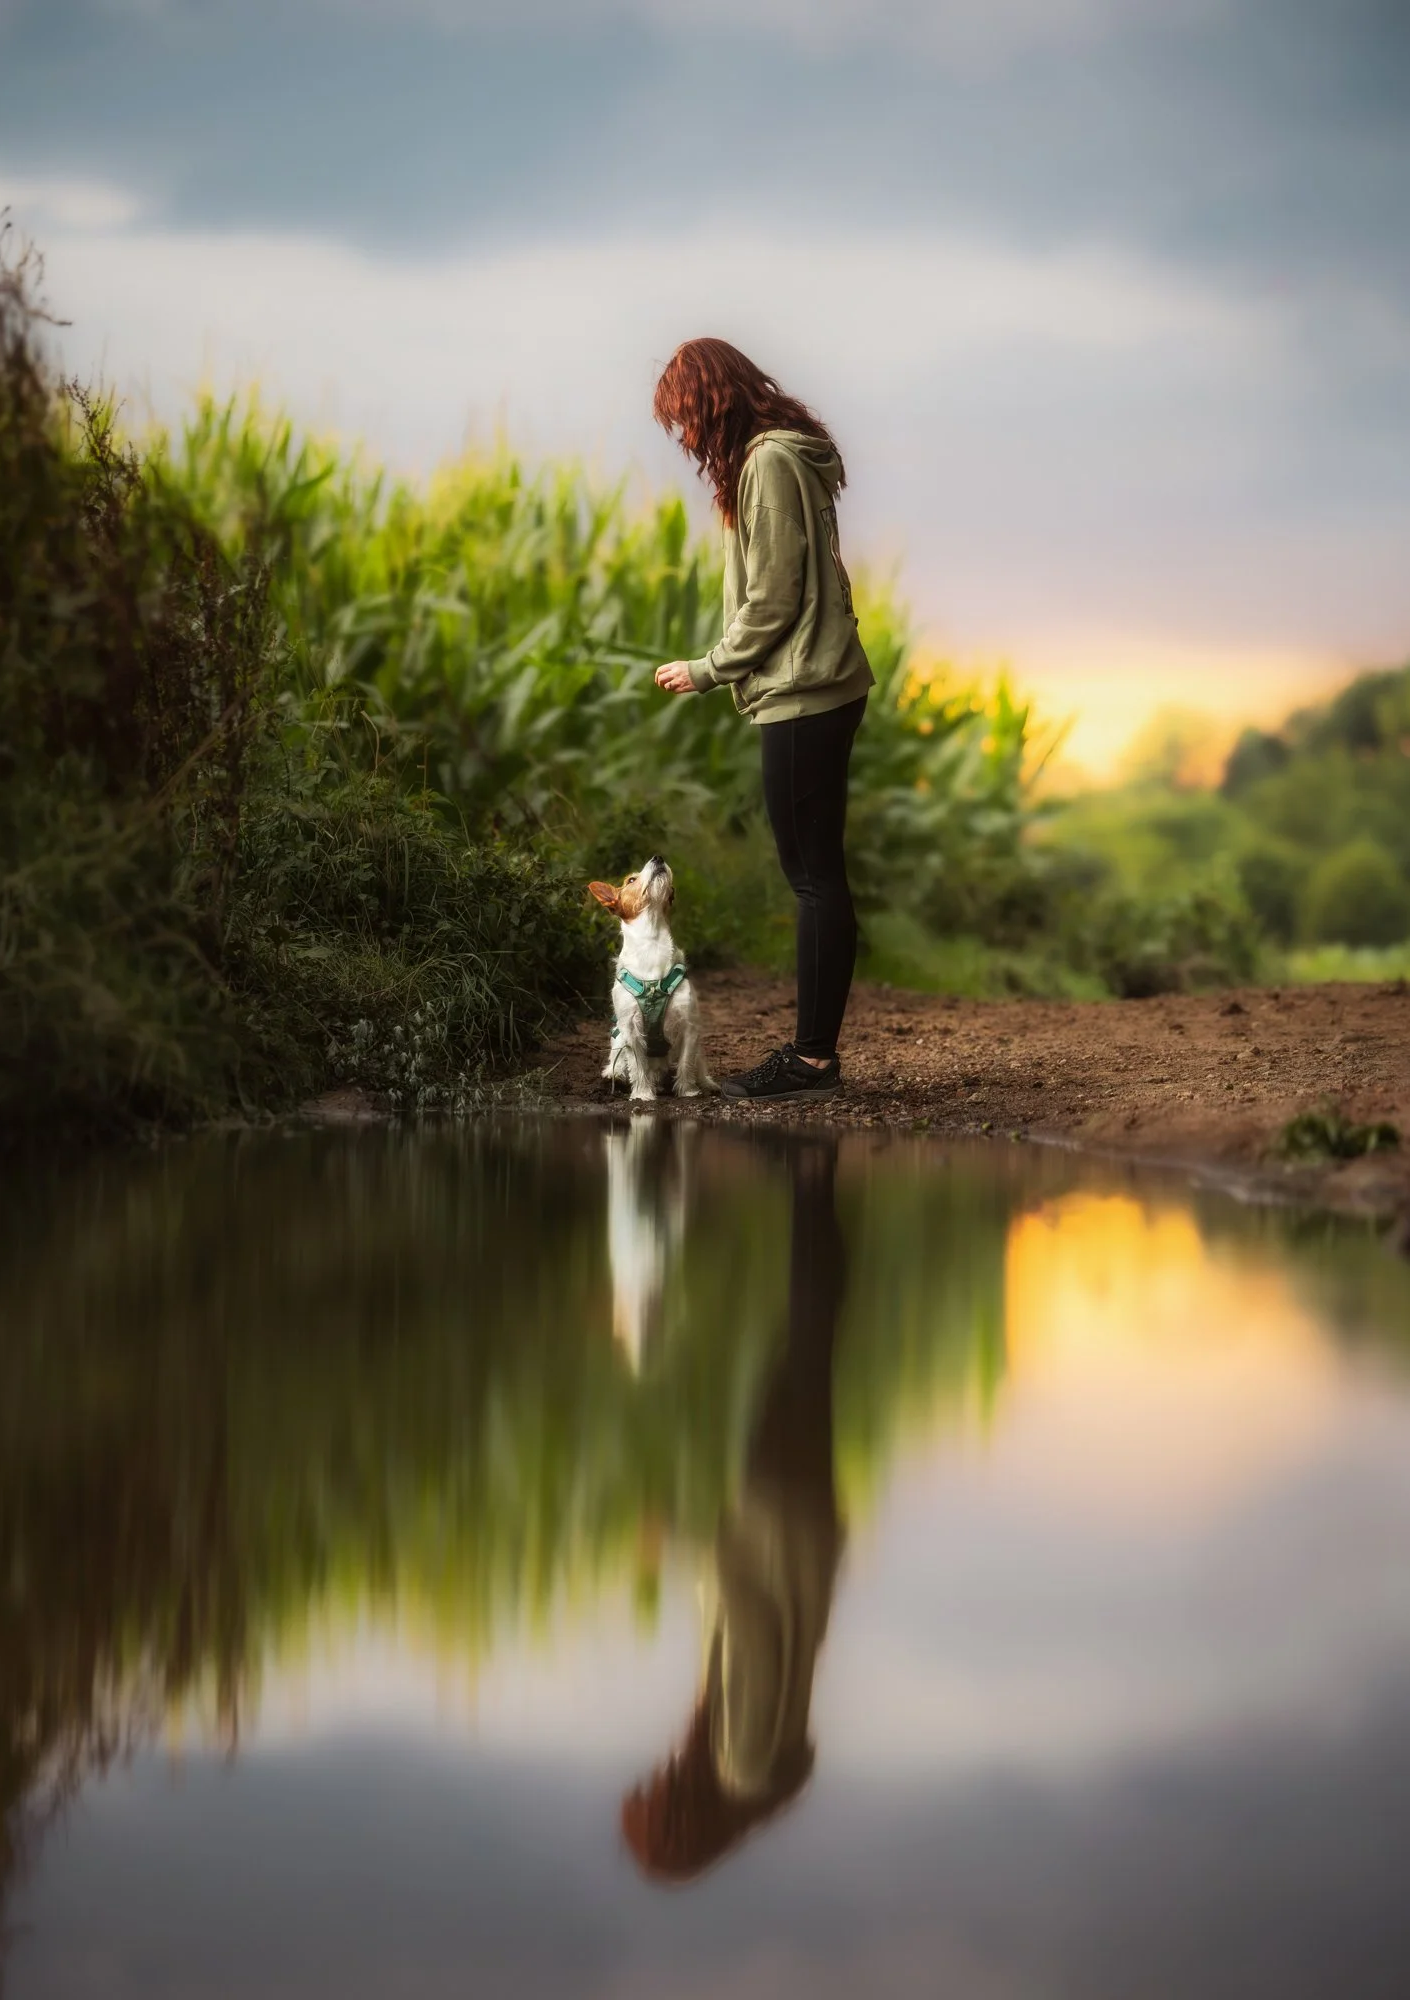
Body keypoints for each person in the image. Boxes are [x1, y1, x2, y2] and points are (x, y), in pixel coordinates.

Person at [652, 338, 873, 1104]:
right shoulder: (782, 457)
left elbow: (774, 596)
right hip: (815, 684)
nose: (683, 436)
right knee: (818, 875)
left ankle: (811, 1061)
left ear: (713, 400)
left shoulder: (768, 464)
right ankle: (814, 1055)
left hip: (803, 690)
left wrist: (707, 668)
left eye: (683, 417)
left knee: (812, 879)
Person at [620, 1137, 845, 1882]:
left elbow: (743, 1620)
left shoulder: (747, 1764)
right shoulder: (742, 1759)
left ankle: (822, 1200)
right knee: (802, 1354)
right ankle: (818, 1196)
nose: (655, 1775)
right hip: (780, 1521)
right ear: (677, 1817)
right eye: (652, 1796)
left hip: (797, 1528)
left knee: (804, 1358)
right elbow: (746, 1614)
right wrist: (679, 1538)